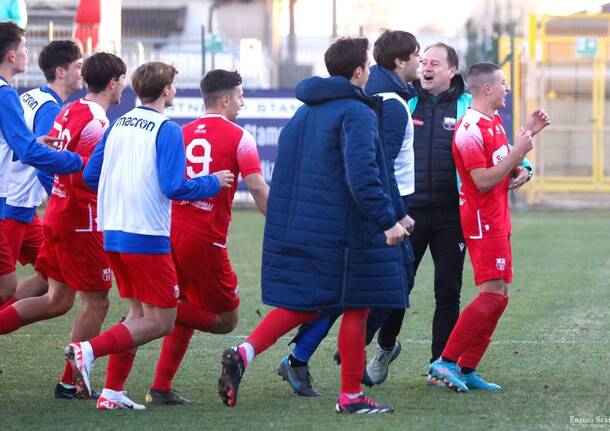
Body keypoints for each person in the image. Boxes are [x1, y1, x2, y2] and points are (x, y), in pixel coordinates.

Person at [217, 37, 408, 414]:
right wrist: (388, 221)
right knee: (357, 306)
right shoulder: (356, 113)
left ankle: (244, 353)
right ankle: (351, 396)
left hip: (309, 227)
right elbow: (364, 177)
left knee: (308, 305)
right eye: (367, 67)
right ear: (358, 72)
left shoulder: (305, 112)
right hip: (345, 232)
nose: (369, 73)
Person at [71, 61, 234, 410]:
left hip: (112, 231)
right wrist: (212, 182)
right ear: (166, 91)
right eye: (173, 85)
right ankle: (88, 351)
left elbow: (89, 175)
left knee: (136, 316)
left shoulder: (117, 124)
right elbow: (174, 186)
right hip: (145, 235)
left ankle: (112, 393)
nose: (174, 90)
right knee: (162, 321)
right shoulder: (167, 128)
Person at [370, 43, 533, 386]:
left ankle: (440, 366)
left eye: (434, 63)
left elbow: (495, 143)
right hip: (409, 211)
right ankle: (386, 347)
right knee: (399, 285)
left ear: (451, 72)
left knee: (448, 290)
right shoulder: (406, 102)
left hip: (452, 213)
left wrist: (525, 166)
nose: (426, 68)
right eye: (423, 61)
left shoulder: (467, 107)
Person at [275, 30, 420, 396]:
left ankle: (320, 355)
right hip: (376, 211)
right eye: (420, 56)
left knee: (357, 293)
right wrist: (393, 215)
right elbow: (376, 166)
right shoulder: (387, 105)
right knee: (372, 289)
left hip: (377, 208)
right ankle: (333, 357)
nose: (424, 64)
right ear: (400, 62)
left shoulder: (386, 98)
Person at [0, 52, 125, 400]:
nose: (124, 87)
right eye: (122, 80)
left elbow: (50, 158)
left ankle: (70, 379)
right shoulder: (97, 123)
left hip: (57, 212)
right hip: (80, 222)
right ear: (113, 83)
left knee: (56, 299)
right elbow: (89, 176)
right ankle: (70, 381)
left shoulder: (70, 109)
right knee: (97, 302)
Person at [146, 69, 268, 405]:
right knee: (226, 319)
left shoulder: (180, 132)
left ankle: (161, 385)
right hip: (204, 241)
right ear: (226, 99)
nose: (243, 103)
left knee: (189, 303)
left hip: (169, 231)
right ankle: (152, 312)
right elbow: (257, 187)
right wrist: (282, 224)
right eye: (241, 96)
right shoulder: (240, 137)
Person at [428, 62, 550, 391]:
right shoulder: (469, 129)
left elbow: (500, 163)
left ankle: (466, 368)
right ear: (486, 89)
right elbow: (481, 181)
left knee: (500, 295)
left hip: (496, 215)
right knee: (493, 294)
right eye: (503, 83)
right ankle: (445, 362)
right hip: (482, 219)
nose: (507, 88)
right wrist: (519, 154)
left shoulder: (492, 121)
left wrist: (523, 147)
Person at [0, 22, 82, 326]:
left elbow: (21, 143)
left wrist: (35, 143)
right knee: (7, 288)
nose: (26, 53)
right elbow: (31, 155)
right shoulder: (12, 96)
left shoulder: (26, 95)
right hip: (12, 203)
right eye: (22, 47)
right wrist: (81, 164)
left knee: (52, 276)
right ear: (10, 55)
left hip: (21, 205)